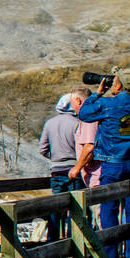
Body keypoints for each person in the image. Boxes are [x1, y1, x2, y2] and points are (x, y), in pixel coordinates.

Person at [75, 68, 130, 258]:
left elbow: (84, 113)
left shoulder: (108, 104)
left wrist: (97, 92)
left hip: (113, 165)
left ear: (118, 84)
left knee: (109, 209)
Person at [39, 89, 85, 241]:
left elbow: (42, 149)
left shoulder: (50, 123)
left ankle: (53, 241)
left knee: (55, 207)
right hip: (74, 169)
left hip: (56, 170)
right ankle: (75, 242)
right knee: (76, 208)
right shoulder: (78, 123)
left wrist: (56, 158)